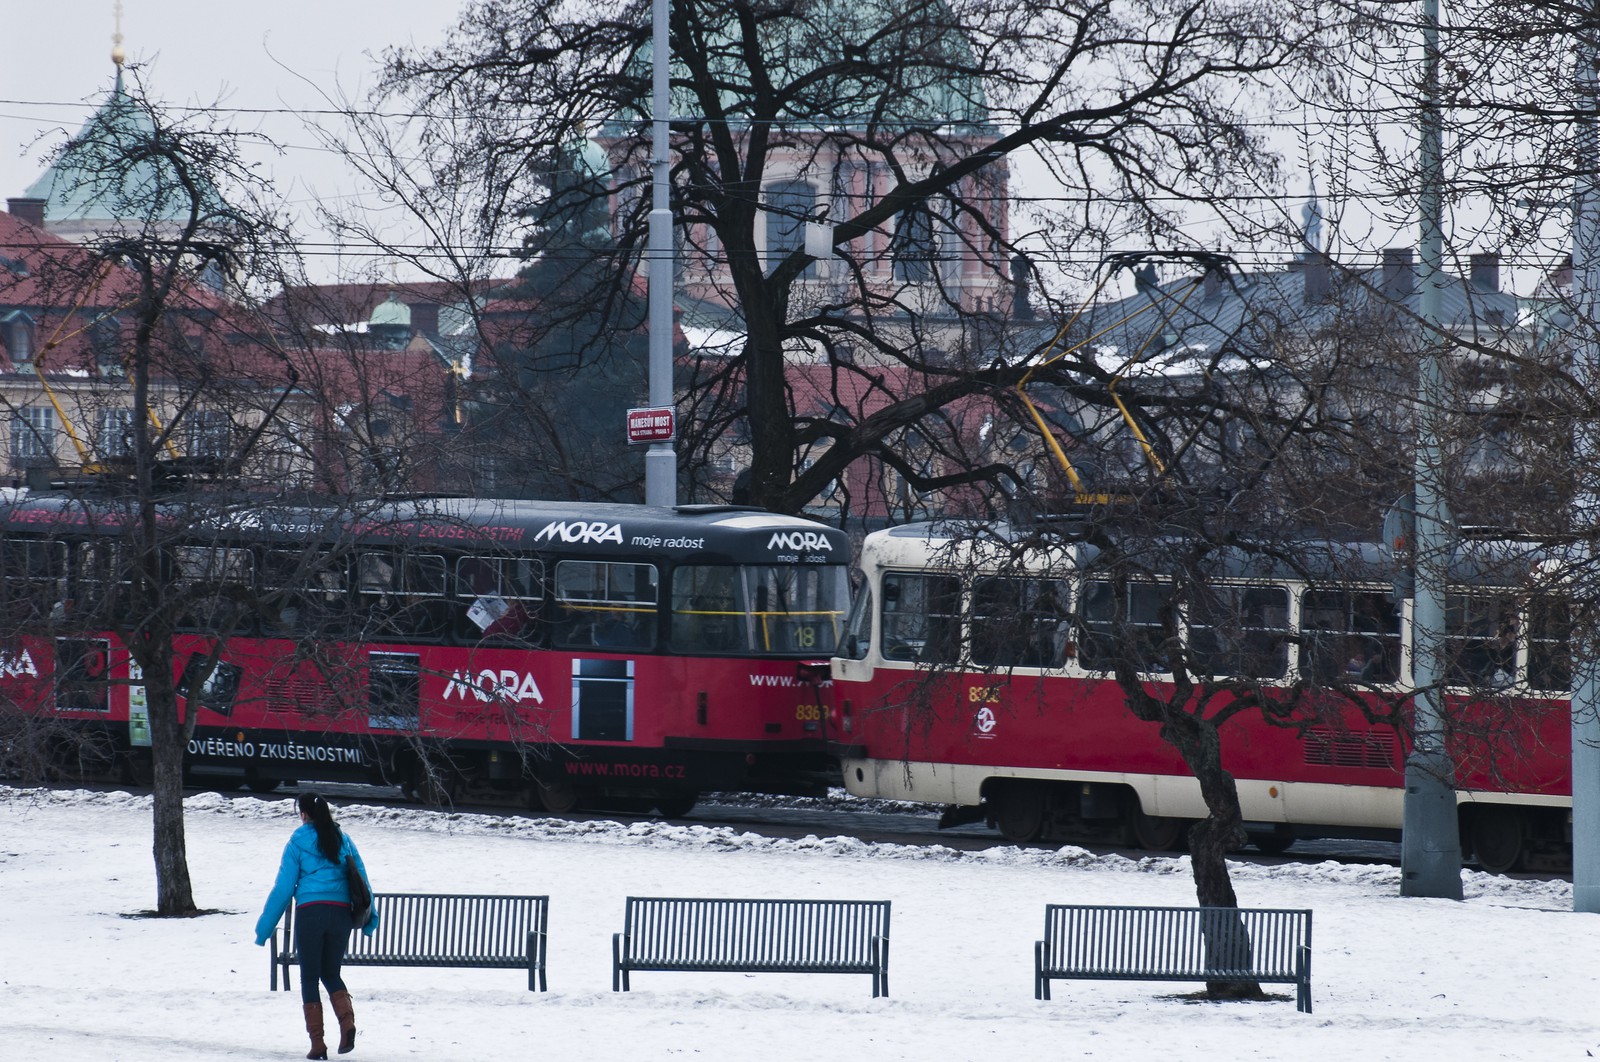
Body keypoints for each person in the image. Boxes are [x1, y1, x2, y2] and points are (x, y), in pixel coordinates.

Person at [255, 793, 380, 1059]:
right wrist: (371, 920)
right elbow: (363, 881)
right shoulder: (343, 839)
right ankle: (347, 1023)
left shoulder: (297, 843)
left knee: (310, 977)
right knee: (331, 973)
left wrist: (264, 928)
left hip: (310, 913)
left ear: (303, 814)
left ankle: (318, 1044)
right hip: (340, 915)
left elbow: (283, 889)